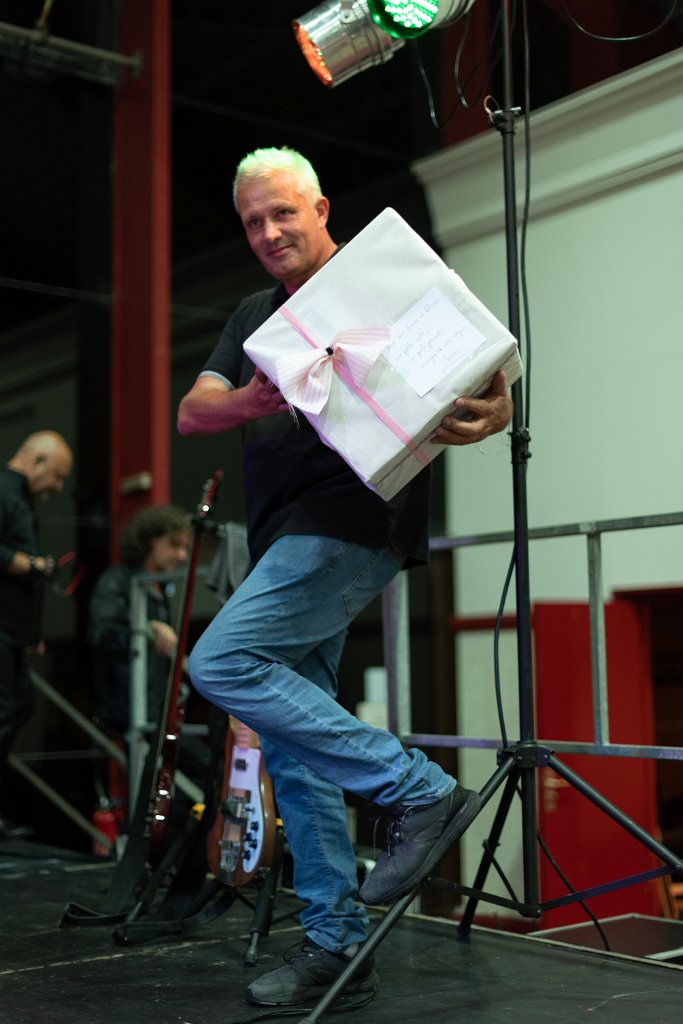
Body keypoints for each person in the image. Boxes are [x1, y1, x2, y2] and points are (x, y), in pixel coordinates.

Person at [177, 146, 513, 1009]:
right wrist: (250, 400)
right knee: (294, 749)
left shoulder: (379, 277)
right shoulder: (256, 315)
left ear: (321, 209)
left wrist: (498, 404)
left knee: (220, 662)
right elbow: (191, 412)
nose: (267, 232)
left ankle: (421, 791)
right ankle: (336, 946)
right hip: (280, 533)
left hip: (352, 517)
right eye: (252, 221)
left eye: (282, 213)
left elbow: (483, 361)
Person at [88, 505, 210, 802]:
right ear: (150, 540)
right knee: (197, 768)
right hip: (128, 708)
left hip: (156, 710)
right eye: (174, 545)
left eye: (185, 548)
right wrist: (146, 627)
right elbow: (100, 633)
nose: (181, 555)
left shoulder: (161, 590)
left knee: (199, 771)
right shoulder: (119, 580)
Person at [0, 430, 73, 840]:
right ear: (38, 461)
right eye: (57, 476)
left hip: (13, 634)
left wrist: (31, 632)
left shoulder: (21, 500)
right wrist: (34, 564)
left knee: (20, 707)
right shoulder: (2, 489)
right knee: (6, 710)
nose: (58, 487)